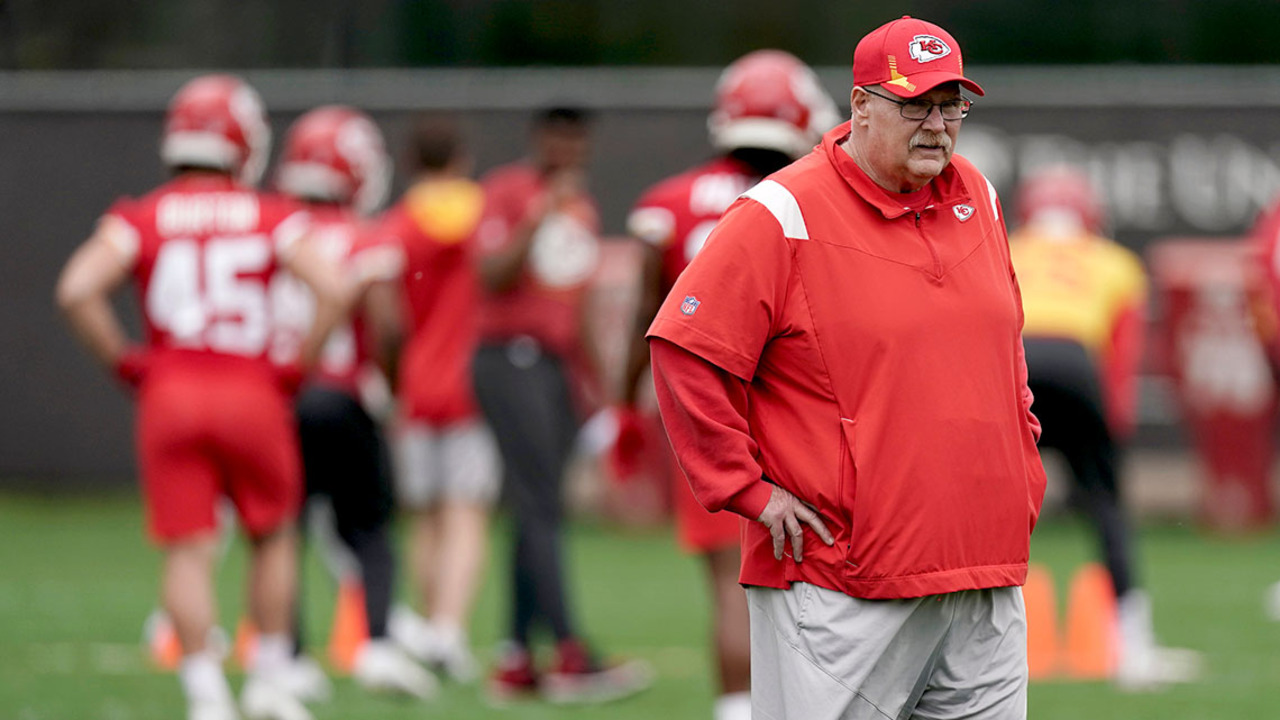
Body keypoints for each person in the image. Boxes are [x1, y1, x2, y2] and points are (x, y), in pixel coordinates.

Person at [648, 17, 1048, 720]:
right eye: (915, 105)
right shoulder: (782, 211)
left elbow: (1002, 341)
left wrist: (1020, 461)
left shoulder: (976, 195)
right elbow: (686, 346)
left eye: (951, 104)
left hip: (984, 572)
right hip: (842, 586)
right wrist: (746, 489)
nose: (937, 125)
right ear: (860, 105)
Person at [55, 74, 346, 720]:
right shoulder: (272, 214)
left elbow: (76, 288)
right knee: (272, 538)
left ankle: (206, 696)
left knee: (188, 549)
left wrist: (128, 364)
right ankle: (270, 680)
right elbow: (334, 286)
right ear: (243, 140)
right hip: (251, 388)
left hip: (171, 391)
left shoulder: (143, 213)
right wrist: (295, 367)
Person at [617, 49, 839, 720]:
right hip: (803, 408)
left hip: (711, 411)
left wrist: (621, 405)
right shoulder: (820, 195)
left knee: (729, 578)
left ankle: (738, 710)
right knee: (827, 572)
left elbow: (649, 320)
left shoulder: (672, 202)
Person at [473, 106, 652, 703]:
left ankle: (518, 657)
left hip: (551, 367)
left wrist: (604, 394)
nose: (568, 153)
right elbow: (491, 276)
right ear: (539, 140)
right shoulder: (507, 192)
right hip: (509, 357)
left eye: (577, 144)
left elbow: (575, 312)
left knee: (535, 508)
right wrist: (533, 219)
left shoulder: (583, 206)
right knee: (539, 506)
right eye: (559, 140)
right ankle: (571, 653)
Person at [1009, 164, 1202, 690]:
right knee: (1106, 507)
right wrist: (1109, 440)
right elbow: (1122, 359)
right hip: (1077, 366)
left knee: (988, 511)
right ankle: (1134, 651)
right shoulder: (1116, 262)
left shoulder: (1007, 247)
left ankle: (964, 644)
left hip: (1015, 363)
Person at [272, 105, 437, 700]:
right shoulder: (366, 237)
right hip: (345, 396)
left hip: (282, 399)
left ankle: (286, 656)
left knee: (282, 531)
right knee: (369, 527)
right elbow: (388, 325)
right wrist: (387, 387)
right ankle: (376, 645)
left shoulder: (275, 230)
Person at [365, 116, 498, 685]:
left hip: (417, 385)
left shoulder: (396, 226)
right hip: (473, 383)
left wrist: (391, 380)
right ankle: (449, 628)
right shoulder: (485, 218)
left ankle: (428, 622)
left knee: (424, 517)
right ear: (461, 159)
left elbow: (387, 317)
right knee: (465, 512)